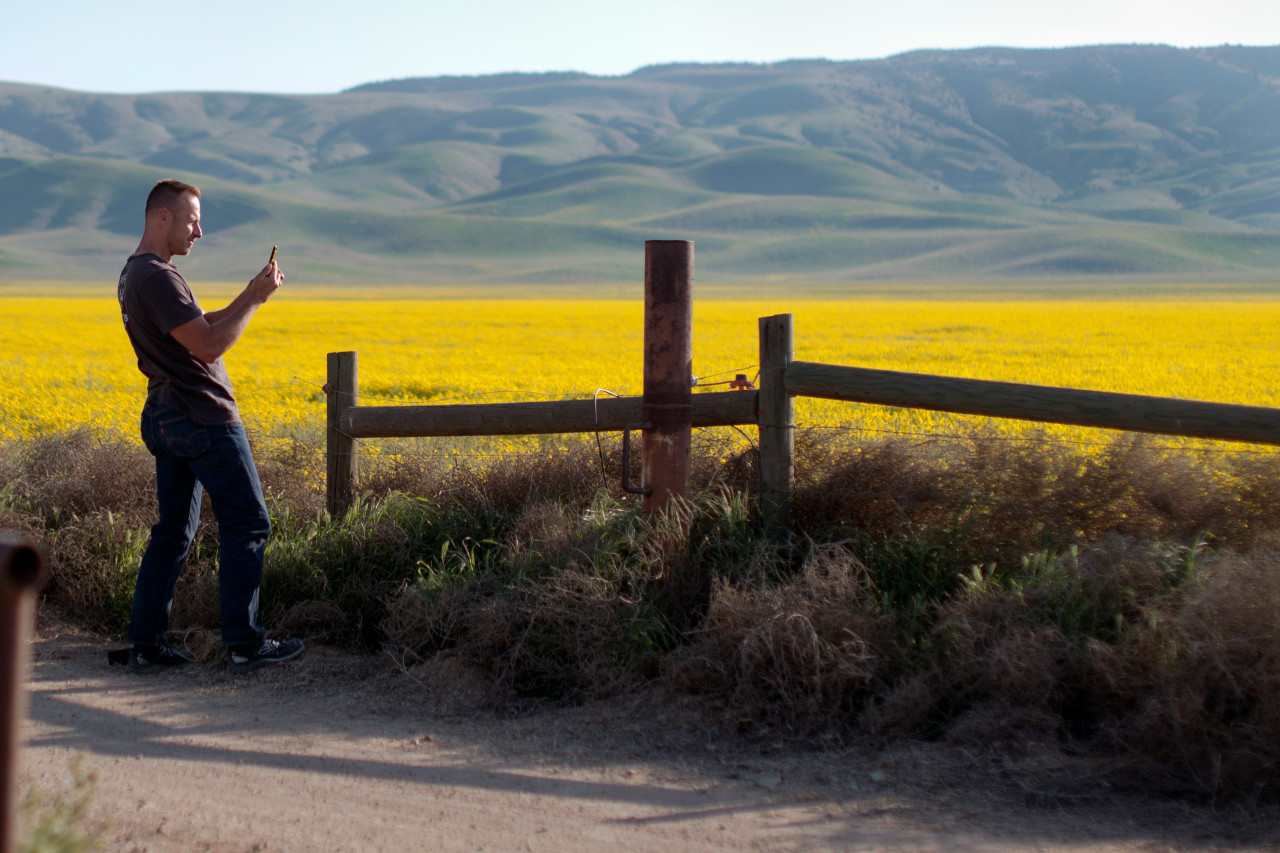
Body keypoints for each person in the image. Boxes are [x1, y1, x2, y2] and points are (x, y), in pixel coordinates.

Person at [117, 178, 303, 673]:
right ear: (162, 217)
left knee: (174, 530)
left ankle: (146, 644)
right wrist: (256, 298)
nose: (199, 230)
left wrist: (248, 294)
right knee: (249, 522)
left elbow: (197, 326)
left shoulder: (138, 273)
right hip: (202, 417)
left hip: (167, 415)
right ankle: (244, 643)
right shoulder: (158, 277)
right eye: (192, 219)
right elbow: (208, 346)